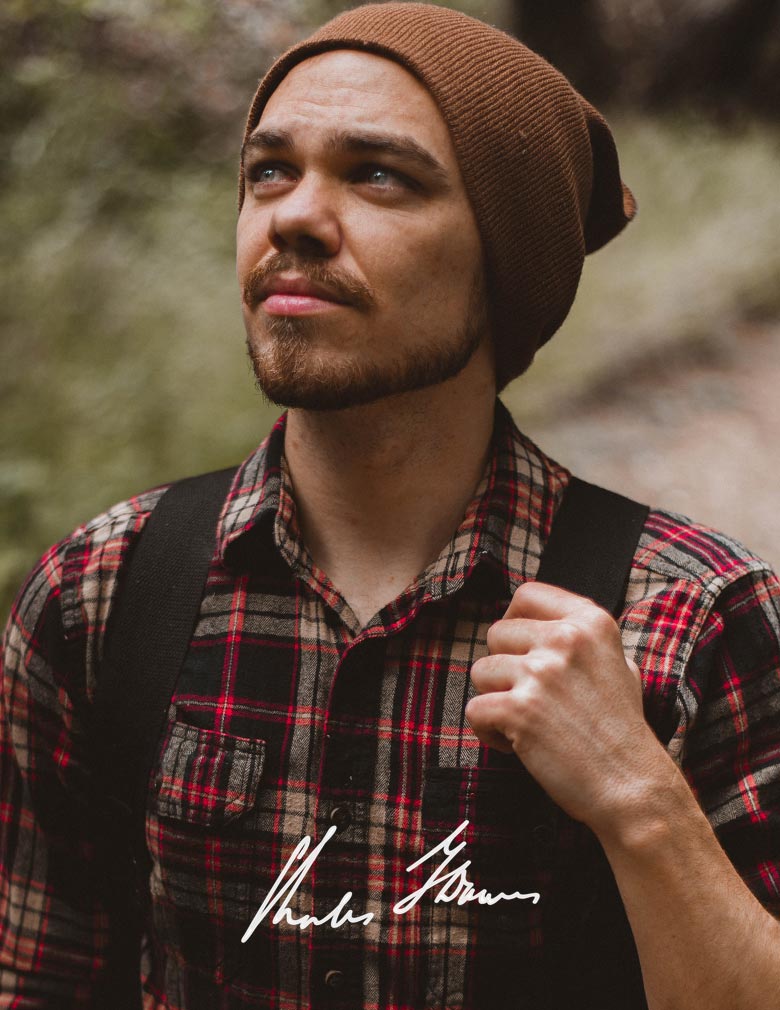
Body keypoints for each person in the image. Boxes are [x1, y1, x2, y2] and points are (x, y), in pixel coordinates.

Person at [1, 3, 779, 1008]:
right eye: (269, 170)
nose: (293, 216)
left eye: (378, 175)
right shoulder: (102, 594)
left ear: (503, 260)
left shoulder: (695, 618)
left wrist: (639, 801)